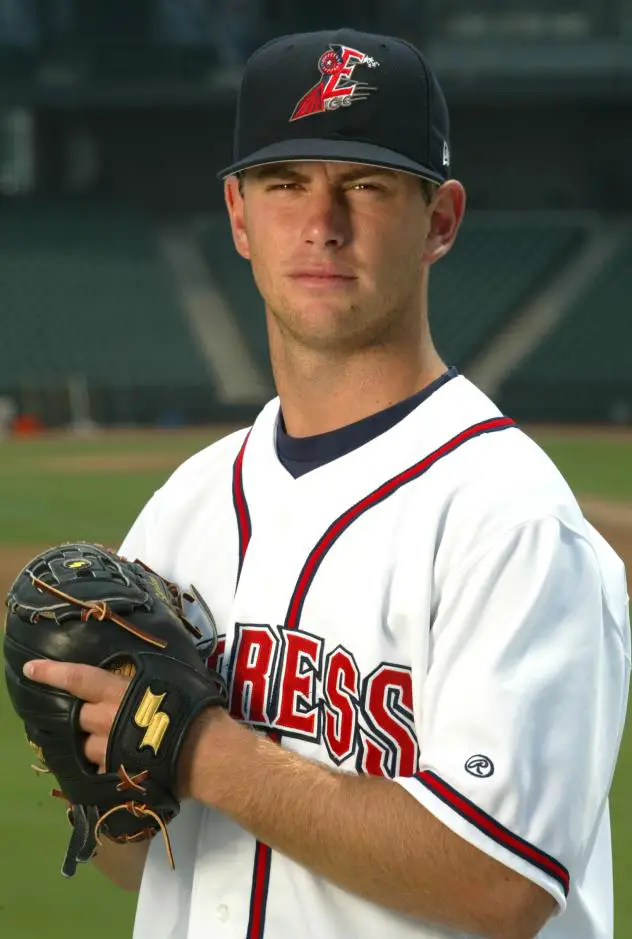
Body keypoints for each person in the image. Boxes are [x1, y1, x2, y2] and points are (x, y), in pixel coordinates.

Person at [24, 27, 630, 939]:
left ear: (440, 220)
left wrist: (202, 749)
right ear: (238, 215)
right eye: (285, 183)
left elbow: (498, 882)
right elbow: (143, 859)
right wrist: (97, 770)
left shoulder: (511, 521)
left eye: (366, 184)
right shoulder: (186, 508)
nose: (322, 222)